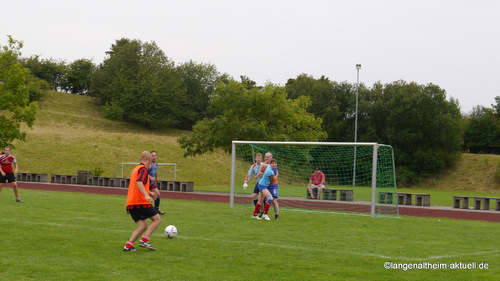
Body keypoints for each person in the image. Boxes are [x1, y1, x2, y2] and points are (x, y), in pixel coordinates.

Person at [123, 151, 162, 251]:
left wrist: (149, 193)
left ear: (141, 159)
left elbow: (137, 186)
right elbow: (139, 182)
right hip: (140, 201)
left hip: (131, 203)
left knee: (142, 226)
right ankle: (145, 240)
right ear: (149, 160)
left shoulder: (135, 169)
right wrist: (146, 195)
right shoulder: (143, 169)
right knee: (157, 219)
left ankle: (128, 246)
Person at [148, 150, 165, 215]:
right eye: (152, 156)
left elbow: (156, 171)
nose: (154, 157)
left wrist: (156, 178)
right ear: (150, 157)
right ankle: (129, 208)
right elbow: (144, 172)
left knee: (158, 195)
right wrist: (150, 177)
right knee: (140, 197)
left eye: (155, 156)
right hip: (145, 184)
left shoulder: (157, 164)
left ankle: (156, 209)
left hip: (151, 184)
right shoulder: (149, 164)